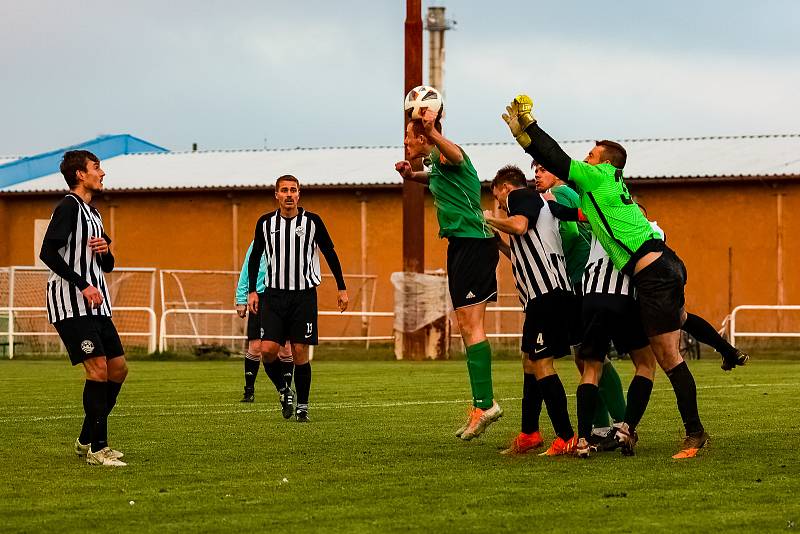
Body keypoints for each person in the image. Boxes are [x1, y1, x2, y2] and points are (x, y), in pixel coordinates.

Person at [503, 95, 709, 458]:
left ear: (605, 162)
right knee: (657, 355)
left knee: (667, 357)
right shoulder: (603, 191)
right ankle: (630, 429)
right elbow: (570, 209)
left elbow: (559, 160)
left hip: (655, 271)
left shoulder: (600, 177)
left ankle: (693, 434)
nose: (586, 158)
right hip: (656, 270)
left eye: (592, 154)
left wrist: (531, 125)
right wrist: (523, 139)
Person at [395, 108, 502, 441]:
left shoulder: (447, 154)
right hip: (460, 245)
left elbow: (456, 156)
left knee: (473, 325)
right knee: (466, 326)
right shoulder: (433, 166)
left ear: (424, 137)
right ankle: (482, 404)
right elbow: (437, 177)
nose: (405, 143)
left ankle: (486, 405)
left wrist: (432, 130)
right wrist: (412, 177)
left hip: (474, 243)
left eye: (409, 137)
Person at [39, 150, 127, 466]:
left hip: (97, 304)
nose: (102, 173)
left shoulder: (95, 214)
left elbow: (108, 265)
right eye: (96, 167)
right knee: (98, 368)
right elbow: (47, 252)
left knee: (118, 369)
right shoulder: (68, 207)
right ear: (80, 174)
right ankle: (97, 449)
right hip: (71, 303)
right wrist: (82, 284)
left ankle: (87, 437)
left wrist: (106, 251)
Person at [483, 165, 577, 456]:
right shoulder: (533, 203)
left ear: (504, 187)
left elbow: (520, 226)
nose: (498, 203)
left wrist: (491, 219)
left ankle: (566, 436)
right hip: (545, 295)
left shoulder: (520, 195)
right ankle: (529, 433)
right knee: (529, 361)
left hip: (546, 294)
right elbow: (522, 251)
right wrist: (499, 242)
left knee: (541, 364)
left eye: (497, 197)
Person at [534, 163, 628, 437]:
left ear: (558, 174)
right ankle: (605, 425)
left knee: (591, 356)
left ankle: (618, 422)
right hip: (584, 282)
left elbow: (572, 232)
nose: (537, 173)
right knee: (585, 356)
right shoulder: (567, 194)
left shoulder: (560, 193)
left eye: (542, 168)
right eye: (534, 168)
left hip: (578, 282)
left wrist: (555, 260)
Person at [248, 175, 348, 423]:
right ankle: (284, 391)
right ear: (277, 195)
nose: (289, 194)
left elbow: (330, 253)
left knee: (299, 352)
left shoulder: (313, 222)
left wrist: (341, 287)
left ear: (299, 194)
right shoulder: (265, 223)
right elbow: (255, 257)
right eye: (284, 190)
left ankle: (303, 406)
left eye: (293, 190)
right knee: (267, 351)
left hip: (303, 296)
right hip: (272, 295)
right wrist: (252, 290)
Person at [235, 241, 295, 418]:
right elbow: (247, 268)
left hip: (284, 297)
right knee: (255, 347)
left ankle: (286, 392)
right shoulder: (257, 243)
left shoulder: (291, 239)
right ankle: (249, 391)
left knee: (286, 349)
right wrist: (241, 298)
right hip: (259, 299)